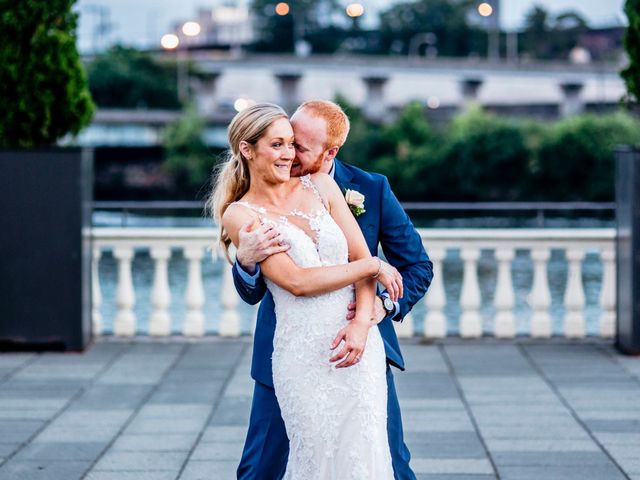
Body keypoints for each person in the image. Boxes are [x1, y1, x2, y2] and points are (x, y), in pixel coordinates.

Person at [232, 100, 433, 480]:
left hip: (359, 349)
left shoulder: (371, 189)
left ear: (331, 152)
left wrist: (379, 309)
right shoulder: (255, 193)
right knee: (262, 468)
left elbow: (418, 266)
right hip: (291, 351)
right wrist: (245, 262)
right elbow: (257, 289)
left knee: (387, 464)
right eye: (284, 141)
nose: (288, 154)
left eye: (299, 148)